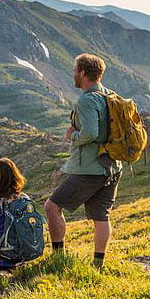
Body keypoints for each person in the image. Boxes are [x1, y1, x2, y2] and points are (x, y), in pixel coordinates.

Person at [44, 53, 122, 269]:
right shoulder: (109, 95)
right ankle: (98, 264)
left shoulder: (87, 100)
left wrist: (73, 136)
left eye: (74, 70)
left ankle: (59, 257)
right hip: (111, 166)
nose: (73, 74)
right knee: (101, 216)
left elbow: (90, 133)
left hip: (90, 168)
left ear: (83, 73)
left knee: (52, 207)